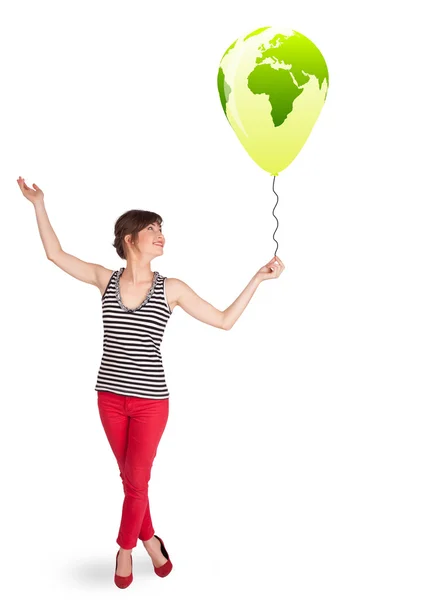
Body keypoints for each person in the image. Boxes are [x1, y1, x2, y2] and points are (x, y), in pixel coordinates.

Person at [17, 175, 285, 586]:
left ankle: (126, 548)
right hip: (108, 398)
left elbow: (225, 320)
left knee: (136, 478)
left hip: (149, 404)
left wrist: (258, 278)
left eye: (161, 229)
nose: (161, 235)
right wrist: (38, 204)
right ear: (129, 239)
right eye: (152, 229)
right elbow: (54, 254)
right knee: (131, 480)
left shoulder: (171, 288)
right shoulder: (105, 279)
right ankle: (152, 540)